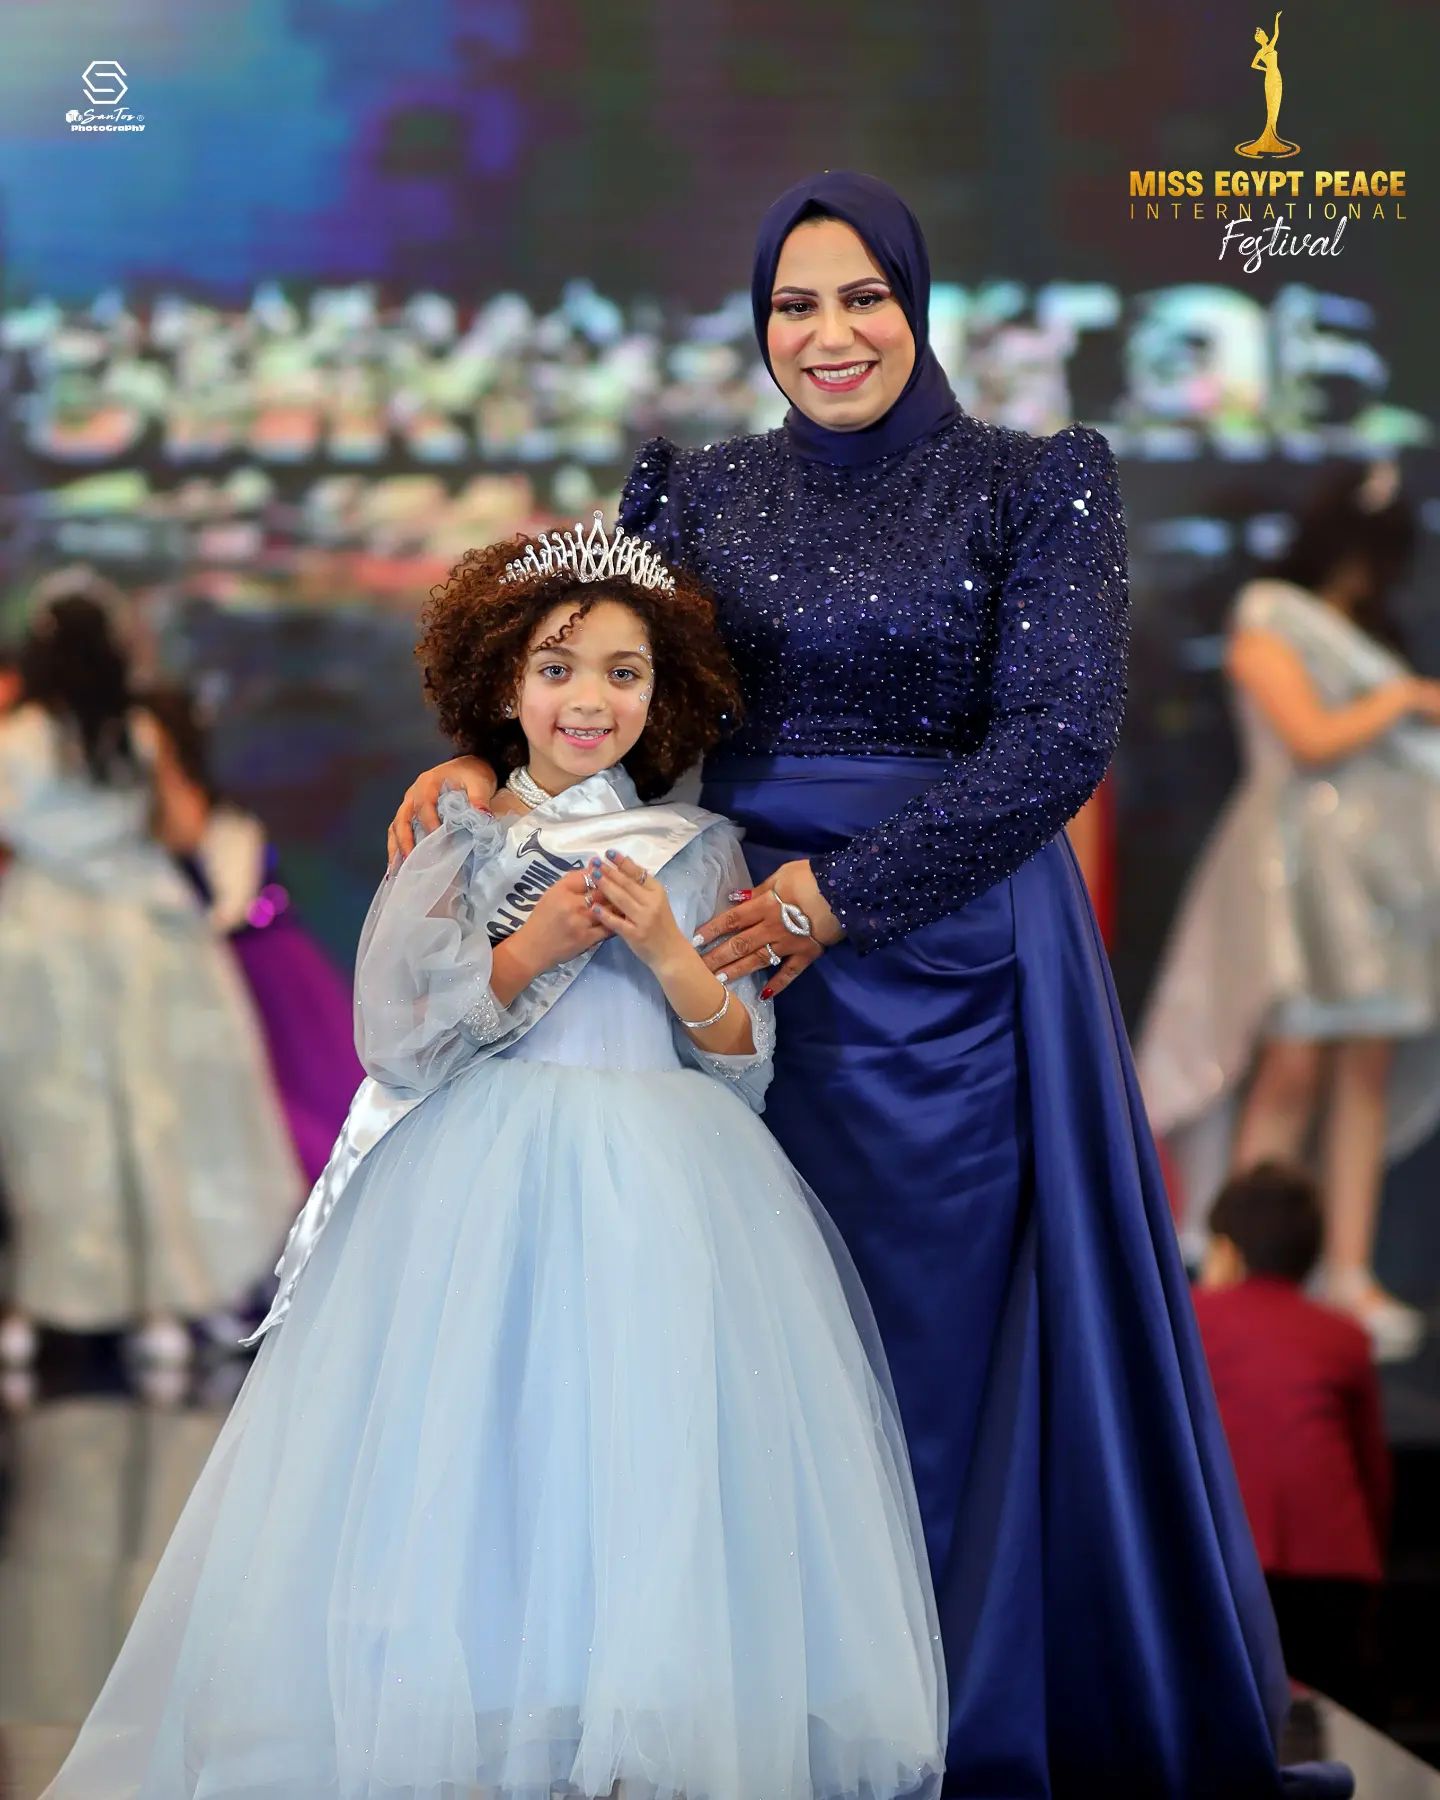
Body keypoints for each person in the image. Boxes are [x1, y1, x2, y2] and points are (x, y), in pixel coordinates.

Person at [389, 173, 1349, 1798]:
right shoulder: (697, 488)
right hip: (721, 957)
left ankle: (950, 1726)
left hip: (946, 962)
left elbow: (1058, 740)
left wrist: (840, 896)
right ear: (758, 323)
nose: (829, 335)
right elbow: (613, 689)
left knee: (935, 1352)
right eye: (793, 305)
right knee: (727, 1346)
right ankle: (761, 1724)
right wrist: (483, 773)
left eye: (862, 299)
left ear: (917, 305)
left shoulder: (1034, 483)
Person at [41, 517, 946, 1800]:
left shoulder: (694, 850)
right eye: (558, 670)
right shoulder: (461, 833)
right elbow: (401, 1041)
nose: (590, 700)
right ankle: (480, 1726)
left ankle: (618, 1738)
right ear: (504, 685)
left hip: (666, 1190)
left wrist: (670, 954)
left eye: (623, 674)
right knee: (488, 1448)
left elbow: (742, 1060)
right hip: (483, 1183)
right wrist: (532, 948)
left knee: (635, 1450)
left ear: (664, 692)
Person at [1138, 463, 1440, 1360]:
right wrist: (1401, 700)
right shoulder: (1271, 613)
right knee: (1289, 1066)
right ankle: (1243, 1265)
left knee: (1365, 1071)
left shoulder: (1368, 635)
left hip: (1378, 882)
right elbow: (1308, 737)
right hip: (1293, 868)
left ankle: (1347, 1269)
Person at [0, 586, 301, 1369]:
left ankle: (35, 1309)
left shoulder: (15, 739)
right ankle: (167, 1308)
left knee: (53, 1130)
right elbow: (185, 829)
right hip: (143, 936)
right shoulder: (137, 733)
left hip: (41, 941)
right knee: (162, 1119)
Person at [141, 683, 365, 1187]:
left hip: (263, 977)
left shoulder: (228, 827)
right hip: (198, 977)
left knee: (298, 1109)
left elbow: (227, 905)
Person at [1194, 1161, 1391, 1719]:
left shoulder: (1193, 1318)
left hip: (1226, 1559)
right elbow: (1372, 1472)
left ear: (1226, 1248)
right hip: (1334, 1566)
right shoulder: (1345, 1336)